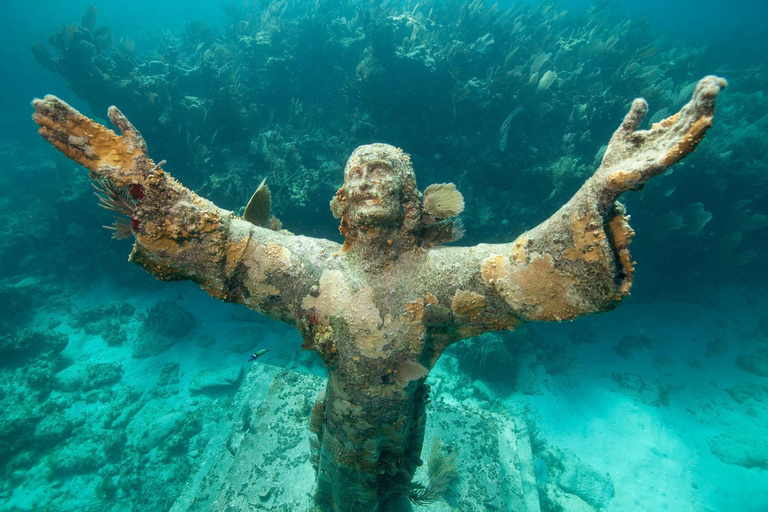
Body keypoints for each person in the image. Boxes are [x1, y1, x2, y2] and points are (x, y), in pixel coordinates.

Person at [32, 75, 725, 512]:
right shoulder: (308, 269)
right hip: (337, 432)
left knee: (381, 497)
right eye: (355, 174)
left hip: (396, 445)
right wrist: (140, 182)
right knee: (335, 494)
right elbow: (222, 241)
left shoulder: (444, 280)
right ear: (339, 197)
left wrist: (597, 190)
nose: (366, 182)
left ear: (409, 198)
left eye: (383, 175)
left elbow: (529, 267)